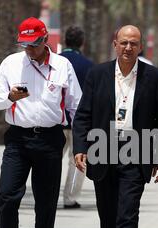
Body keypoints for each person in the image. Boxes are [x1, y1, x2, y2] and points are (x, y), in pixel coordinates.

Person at [72, 25, 158, 228]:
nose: (128, 48)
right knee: (108, 213)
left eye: (134, 43)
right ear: (115, 44)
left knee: (128, 212)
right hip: (103, 148)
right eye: (124, 42)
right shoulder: (97, 74)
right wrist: (80, 147)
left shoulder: (155, 77)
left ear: (141, 47)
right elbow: (83, 114)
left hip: (138, 149)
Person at [0, 17, 82, 228]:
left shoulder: (63, 66)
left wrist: (81, 143)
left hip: (50, 140)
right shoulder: (11, 63)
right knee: (6, 197)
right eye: (24, 45)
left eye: (33, 44)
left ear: (45, 41)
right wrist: (9, 97)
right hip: (17, 140)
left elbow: (76, 106)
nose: (28, 50)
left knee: (46, 205)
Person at [60, 26, 93, 209]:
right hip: (79, 122)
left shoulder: (55, 61)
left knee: (52, 160)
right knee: (77, 160)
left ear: (65, 40)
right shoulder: (88, 65)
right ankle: (70, 198)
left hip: (55, 121)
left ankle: (47, 195)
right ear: (82, 42)